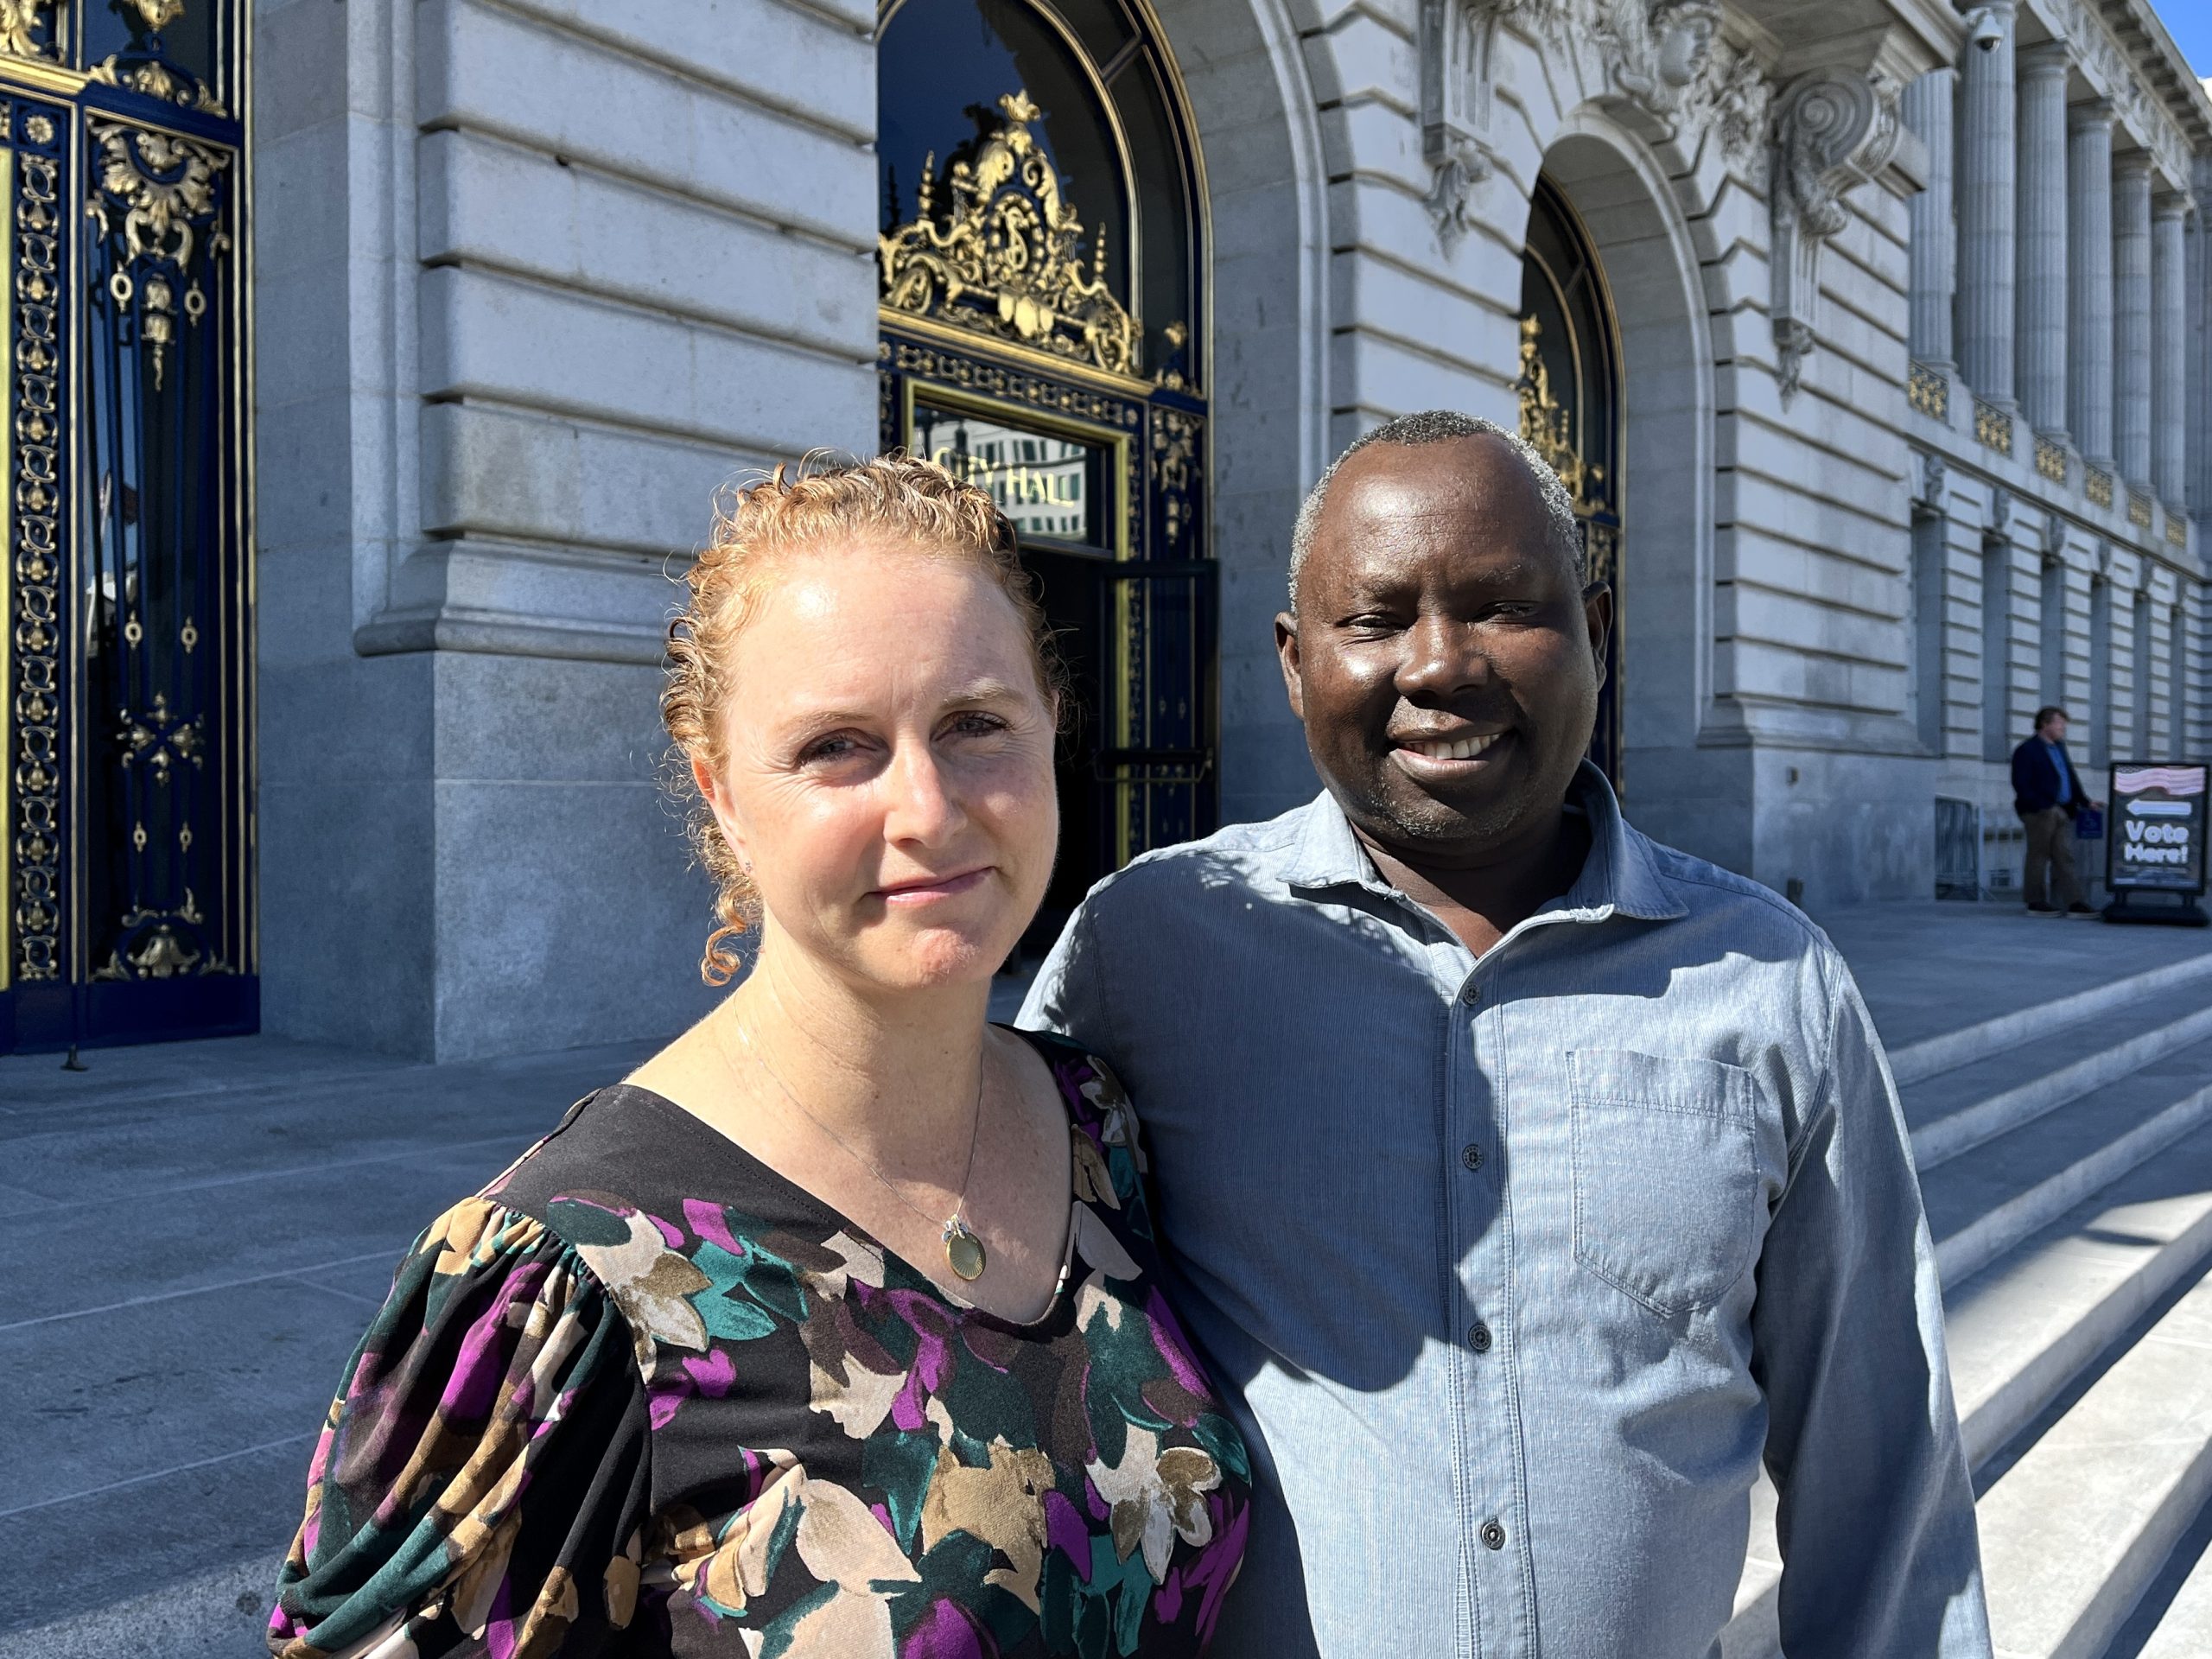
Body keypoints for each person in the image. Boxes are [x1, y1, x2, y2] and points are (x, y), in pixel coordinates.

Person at [1022, 412, 1992, 1658]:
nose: (1440, 666)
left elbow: (1883, 1477)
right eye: (1374, 619)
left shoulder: (1769, 984)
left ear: (1597, 631)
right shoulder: (1148, 948)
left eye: (1497, 607)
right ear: (1292, 660)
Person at [270, 457, 1249, 1658]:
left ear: (1054, 729)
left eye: (976, 724)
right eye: (839, 746)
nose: (930, 810)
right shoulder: (572, 1278)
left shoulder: (1097, 1120)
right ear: (722, 793)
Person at [2012, 705, 2101, 916]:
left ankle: (2075, 902)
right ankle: (2035, 901)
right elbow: (2021, 784)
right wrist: (2041, 806)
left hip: (2062, 810)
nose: (2063, 728)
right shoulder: (2027, 750)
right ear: (2045, 724)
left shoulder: (2059, 747)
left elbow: (2069, 777)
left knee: (2064, 856)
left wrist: (2085, 802)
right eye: (2059, 723)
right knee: (2039, 855)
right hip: (2040, 811)